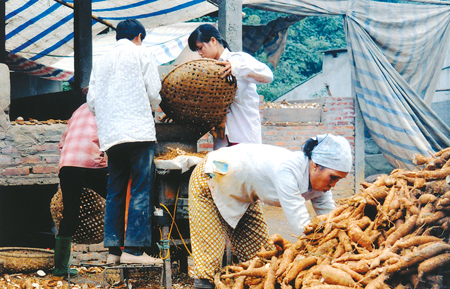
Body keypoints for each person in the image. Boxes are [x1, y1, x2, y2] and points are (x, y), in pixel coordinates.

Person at [188, 133, 352, 287]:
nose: (333, 184)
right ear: (316, 165)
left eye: (339, 179)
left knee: (260, 256)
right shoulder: (288, 170)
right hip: (211, 177)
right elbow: (302, 227)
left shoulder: (320, 183)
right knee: (209, 258)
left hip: (243, 194)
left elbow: (331, 217)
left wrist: (346, 239)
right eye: (333, 177)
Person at [87, 19, 162, 265]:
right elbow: (153, 92)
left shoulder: (101, 60)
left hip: (112, 135)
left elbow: (92, 102)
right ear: (139, 36)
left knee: (115, 191)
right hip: (138, 131)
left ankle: (113, 253)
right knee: (140, 187)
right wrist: (148, 108)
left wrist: (111, 118)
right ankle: (134, 251)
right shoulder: (143, 53)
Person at [188, 24, 273, 149]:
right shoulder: (207, 70)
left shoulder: (238, 59)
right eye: (198, 50)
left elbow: (268, 75)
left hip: (244, 133)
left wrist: (236, 67)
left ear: (213, 41)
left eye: (201, 48)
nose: (200, 53)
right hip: (222, 139)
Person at [54, 98, 108, 280]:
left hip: (67, 163)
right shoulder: (107, 105)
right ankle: (126, 252)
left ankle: (60, 268)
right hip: (91, 163)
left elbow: (62, 144)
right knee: (117, 199)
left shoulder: (78, 110)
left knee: (70, 214)